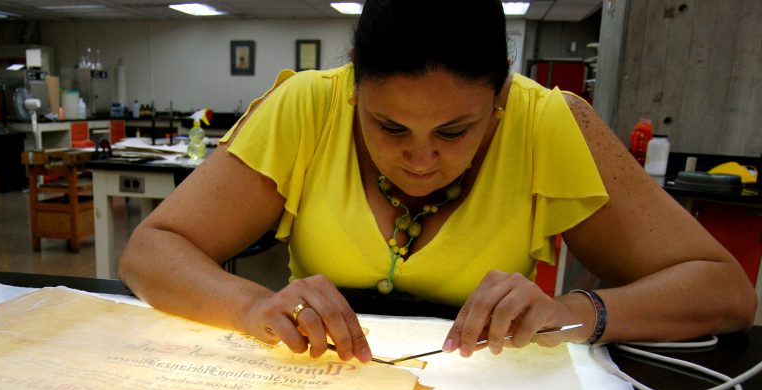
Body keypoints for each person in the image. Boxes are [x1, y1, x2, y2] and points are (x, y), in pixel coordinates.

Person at [118, 0, 756, 363]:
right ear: (352, 86)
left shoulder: (547, 121)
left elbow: (724, 290)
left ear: (501, 100)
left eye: (455, 133)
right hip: (316, 383)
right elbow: (150, 251)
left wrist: (571, 312)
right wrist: (250, 305)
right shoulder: (309, 107)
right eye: (388, 126)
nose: (420, 161)